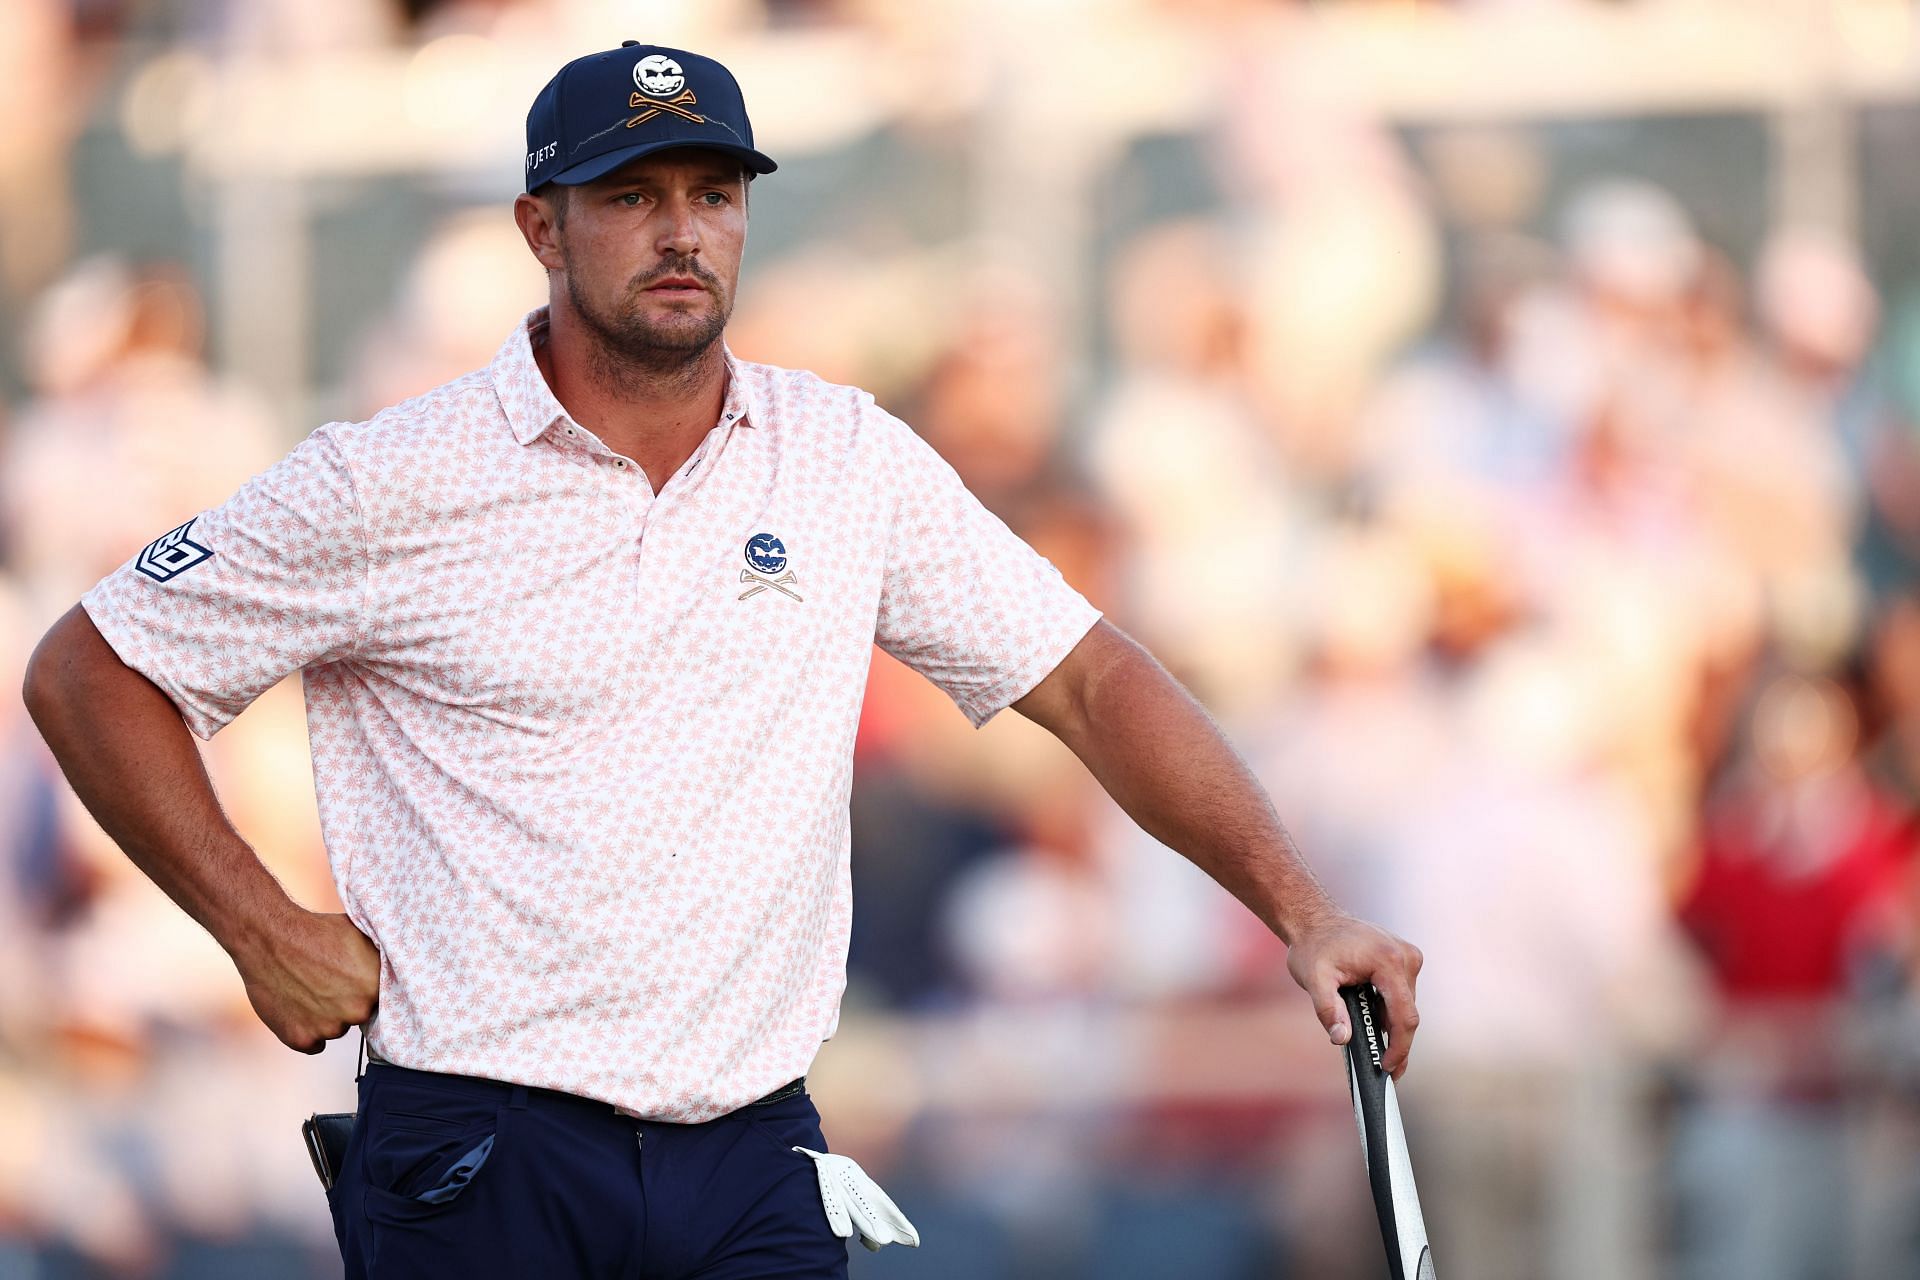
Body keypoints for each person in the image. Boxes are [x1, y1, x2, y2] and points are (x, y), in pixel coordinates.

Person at [21, 41, 1424, 1279]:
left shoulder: (844, 456)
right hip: (481, 1150)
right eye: (631, 196)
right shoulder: (391, 477)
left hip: (753, 1153)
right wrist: (260, 929)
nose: (681, 232)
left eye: (713, 193)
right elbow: (92, 669)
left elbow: (1090, 680)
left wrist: (1299, 908)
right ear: (542, 227)